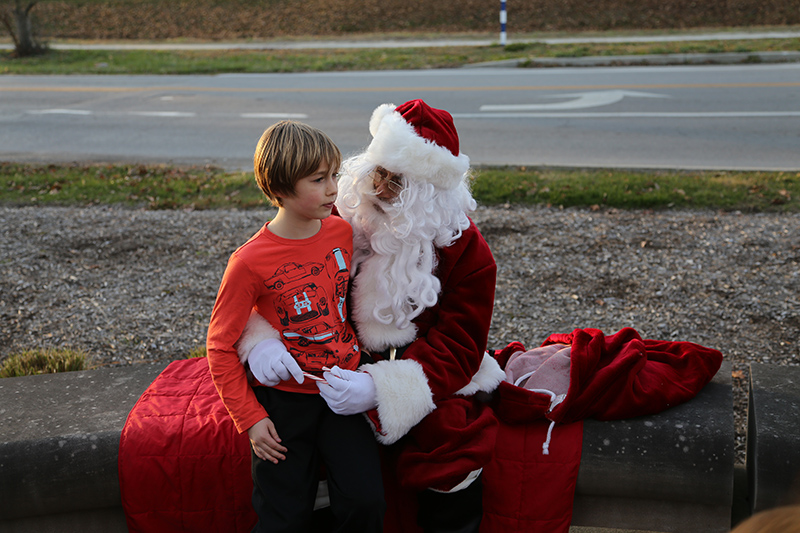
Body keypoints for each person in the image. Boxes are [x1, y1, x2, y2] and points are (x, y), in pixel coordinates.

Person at [241, 100, 505, 533]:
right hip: (330, 357)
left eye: (397, 182)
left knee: (453, 439)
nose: (380, 189)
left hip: (419, 366)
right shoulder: (343, 212)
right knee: (296, 436)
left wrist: (384, 388)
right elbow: (274, 281)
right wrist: (261, 339)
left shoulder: (469, 253)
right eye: (379, 173)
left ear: (430, 190)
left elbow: (462, 346)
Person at [206, 120, 385, 533]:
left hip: (343, 391)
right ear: (280, 188)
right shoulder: (248, 262)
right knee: (283, 517)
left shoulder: (341, 231)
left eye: (334, 176)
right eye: (318, 179)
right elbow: (219, 346)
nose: (333, 190)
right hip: (283, 403)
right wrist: (250, 418)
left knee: (366, 501)